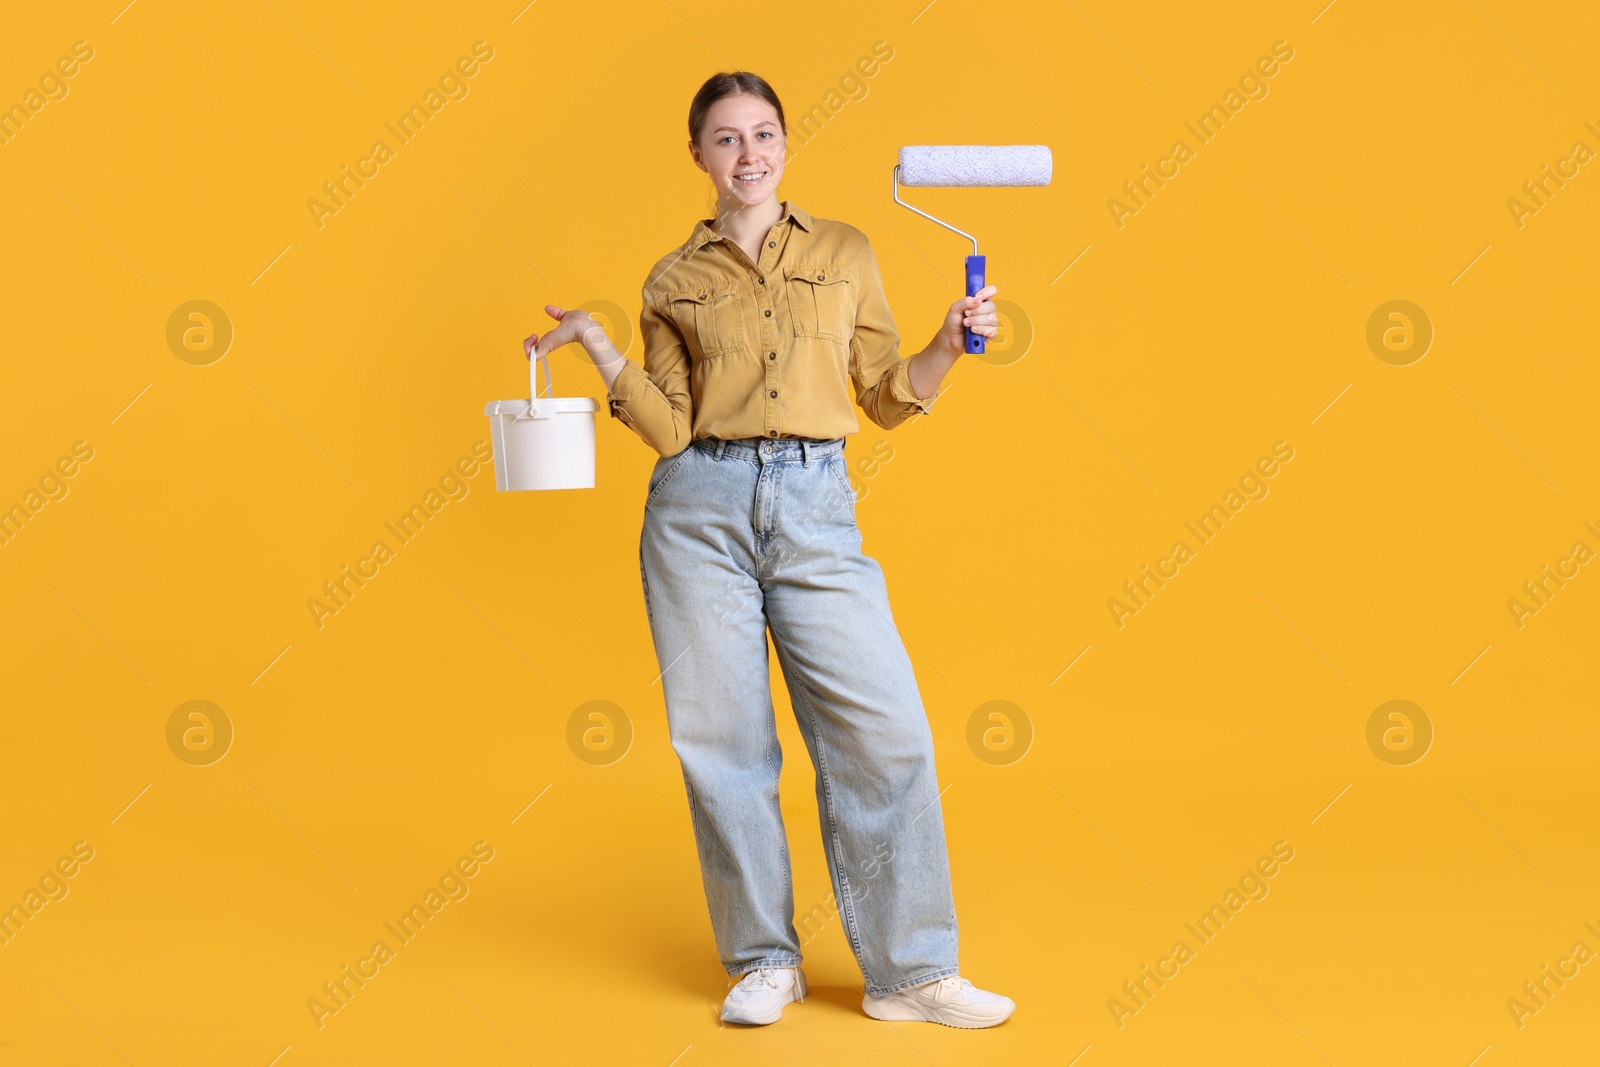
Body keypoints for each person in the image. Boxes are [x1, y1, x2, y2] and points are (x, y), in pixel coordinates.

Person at [524, 71, 1013, 1029]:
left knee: (885, 732)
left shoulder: (845, 250)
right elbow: (667, 430)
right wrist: (598, 345)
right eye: (727, 140)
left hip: (815, 502)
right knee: (724, 748)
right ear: (699, 156)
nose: (750, 155)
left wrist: (950, 343)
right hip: (697, 509)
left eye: (765, 134)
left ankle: (911, 970)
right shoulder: (673, 278)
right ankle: (764, 960)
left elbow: (883, 395)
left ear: (787, 143)